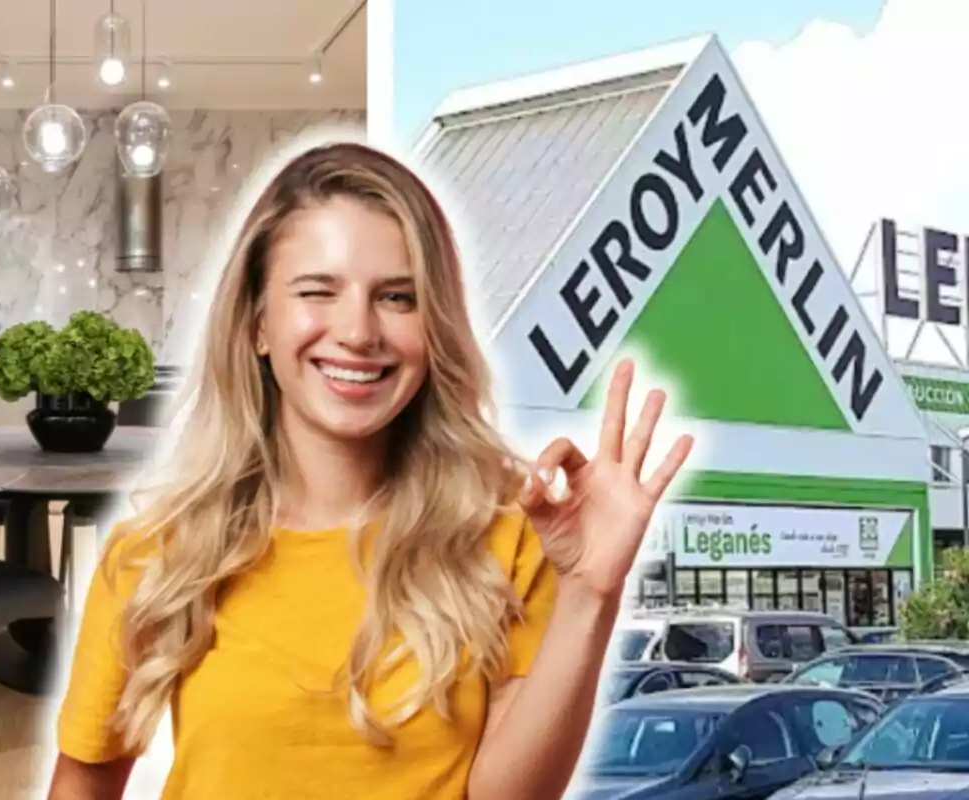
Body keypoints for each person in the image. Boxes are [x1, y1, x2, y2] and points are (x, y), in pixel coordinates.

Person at [47, 140, 693, 800]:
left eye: (398, 297)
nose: (358, 331)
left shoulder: (507, 532)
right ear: (258, 324)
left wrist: (590, 594)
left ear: (434, 327)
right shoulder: (156, 555)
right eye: (317, 291)